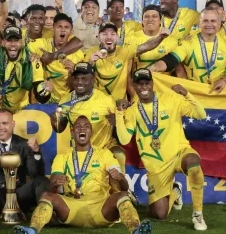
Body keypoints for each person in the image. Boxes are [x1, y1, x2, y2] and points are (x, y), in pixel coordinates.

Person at [13, 115, 152, 234]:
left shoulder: (104, 154)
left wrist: (121, 179)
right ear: (73, 132)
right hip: (71, 207)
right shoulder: (62, 156)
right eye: (78, 126)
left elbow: (124, 187)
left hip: (100, 208)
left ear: (91, 132)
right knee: (46, 196)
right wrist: (55, 184)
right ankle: (32, 230)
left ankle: (136, 229)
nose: (82, 129)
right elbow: (52, 189)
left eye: (86, 126)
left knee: (122, 195)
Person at [115, 68, 207, 231]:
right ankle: (175, 193)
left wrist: (187, 94)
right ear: (134, 86)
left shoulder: (171, 99)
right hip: (157, 167)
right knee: (159, 214)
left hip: (179, 152)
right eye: (139, 84)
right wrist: (119, 112)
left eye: (147, 83)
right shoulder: (132, 111)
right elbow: (123, 139)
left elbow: (201, 114)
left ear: (152, 83)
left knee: (193, 163)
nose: (144, 86)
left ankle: (197, 214)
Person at [51, 61, 137, 202]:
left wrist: (116, 122)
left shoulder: (105, 100)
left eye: (84, 78)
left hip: (105, 147)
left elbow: (121, 130)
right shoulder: (66, 100)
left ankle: (118, 197)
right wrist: (54, 122)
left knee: (118, 155)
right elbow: (59, 129)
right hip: (80, 151)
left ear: (93, 79)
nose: (80, 82)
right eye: (77, 78)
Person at [84, 22, 169, 101]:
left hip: (120, 103)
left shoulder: (124, 51)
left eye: (113, 34)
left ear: (117, 37)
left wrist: (160, 37)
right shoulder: (90, 53)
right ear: (98, 37)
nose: (109, 37)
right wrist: (90, 63)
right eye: (104, 34)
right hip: (98, 102)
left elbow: (146, 46)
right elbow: (82, 79)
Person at [0, 25, 52, 121]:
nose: (12, 44)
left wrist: (45, 92)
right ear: (3, 43)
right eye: (9, 40)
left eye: (16, 40)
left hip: (23, 110)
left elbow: (40, 97)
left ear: (22, 42)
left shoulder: (33, 61)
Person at [149, 8, 226, 93]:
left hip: (220, 95)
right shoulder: (188, 42)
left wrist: (224, 80)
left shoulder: (225, 43)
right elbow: (171, 60)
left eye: (213, 21)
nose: (209, 24)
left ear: (219, 23)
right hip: (195, 95)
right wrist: (154, 67)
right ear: (199, 23)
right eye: (205, 21)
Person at [28, 13, 84, 104]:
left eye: (66, 27)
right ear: (53, 28)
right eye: (59, 27)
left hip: (67, 101)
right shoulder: (41, 45)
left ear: (71, 32)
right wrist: (32, 56)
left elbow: (81, 83)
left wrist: (74, 71)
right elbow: (23, 52)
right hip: (44, 100)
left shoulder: (78, 54)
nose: (63, 30)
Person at [126, 5, 179, 87]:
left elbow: (179, 72)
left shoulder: (172, 40)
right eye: (146, 17)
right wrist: (133, 96)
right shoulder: (130, 39)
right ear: (142, 21)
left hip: (165, 89)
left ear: (160, 20)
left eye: (154, 16)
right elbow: (127, 75)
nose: (150, 19)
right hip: (139, 88)